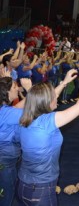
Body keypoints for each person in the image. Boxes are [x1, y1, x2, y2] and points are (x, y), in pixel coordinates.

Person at [17, 69, 79, 205]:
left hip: (23, 185)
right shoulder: (48, 122)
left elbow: (41, 99)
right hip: (41, 190)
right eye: (53, 96)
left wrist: (65, 82)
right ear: (47, 101)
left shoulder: (24, 117)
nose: (57, 97)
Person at [0, 77, 31, 206]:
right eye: (14, 87)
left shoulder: (5, 109)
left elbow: (18, 106)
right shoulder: (9, 113)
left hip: (5, 158)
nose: (18, 89)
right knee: (7, 192)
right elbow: (37, 110)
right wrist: (30, 89)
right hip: (5, 159)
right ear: (6, 92)